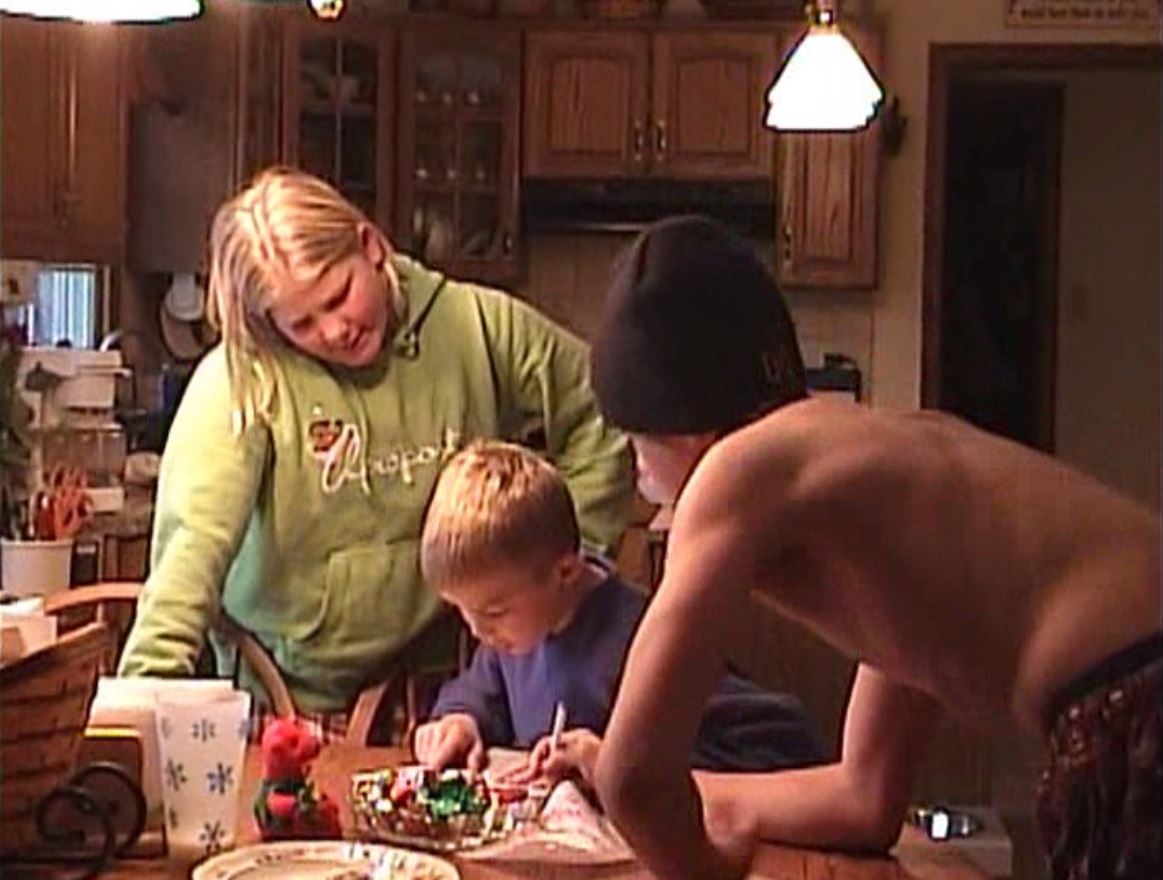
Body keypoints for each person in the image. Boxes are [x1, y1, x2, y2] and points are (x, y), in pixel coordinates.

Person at [587, 216, 1161, 880]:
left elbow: (635, 780)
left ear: (677, 427)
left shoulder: (735, 473)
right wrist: (630, 775)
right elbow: (864, 798)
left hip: (1135, 697)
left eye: (634, 442)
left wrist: (708, 865)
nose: (635, 469)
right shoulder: (882, 481)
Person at [117, 168, 634, 738]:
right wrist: (135, 717)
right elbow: (189, 556)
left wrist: (559, 558)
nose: (333, 330)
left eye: (338, 297)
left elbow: (604, 406)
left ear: (370, 245)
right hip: (288, 710)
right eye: (302, 324)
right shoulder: (242, 383)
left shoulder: (474, 326)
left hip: (447, 701)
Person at [411, 439, 824, 782]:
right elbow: (482, 690)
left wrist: (610, 762)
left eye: (493, 611)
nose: (477, 631)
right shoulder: (513, 636)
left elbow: (785, 742)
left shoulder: (643, 640)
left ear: (565, 571)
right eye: (462, 611)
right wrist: (460, 720)